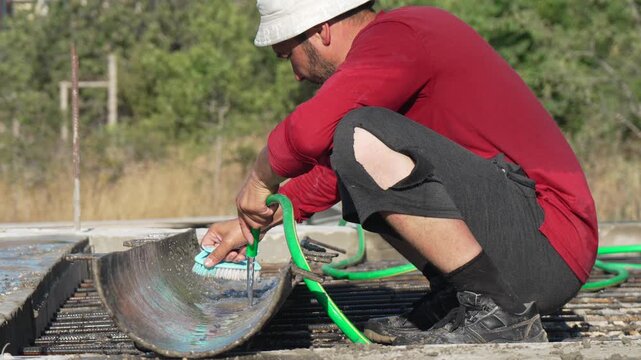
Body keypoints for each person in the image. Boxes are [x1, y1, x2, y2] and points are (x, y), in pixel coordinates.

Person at [200, 0, 598, 345]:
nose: (297, 74)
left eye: (289, 55)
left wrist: (258, 179)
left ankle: (500, 313)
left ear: (320, 31)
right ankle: (460, 297)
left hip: (549, 246)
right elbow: (341, 168)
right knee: (353, 143)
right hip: (528, 245)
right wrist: (256, 221)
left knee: (355, 128)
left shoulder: (402, 36)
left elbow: (309, 134)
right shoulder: (392, 51)